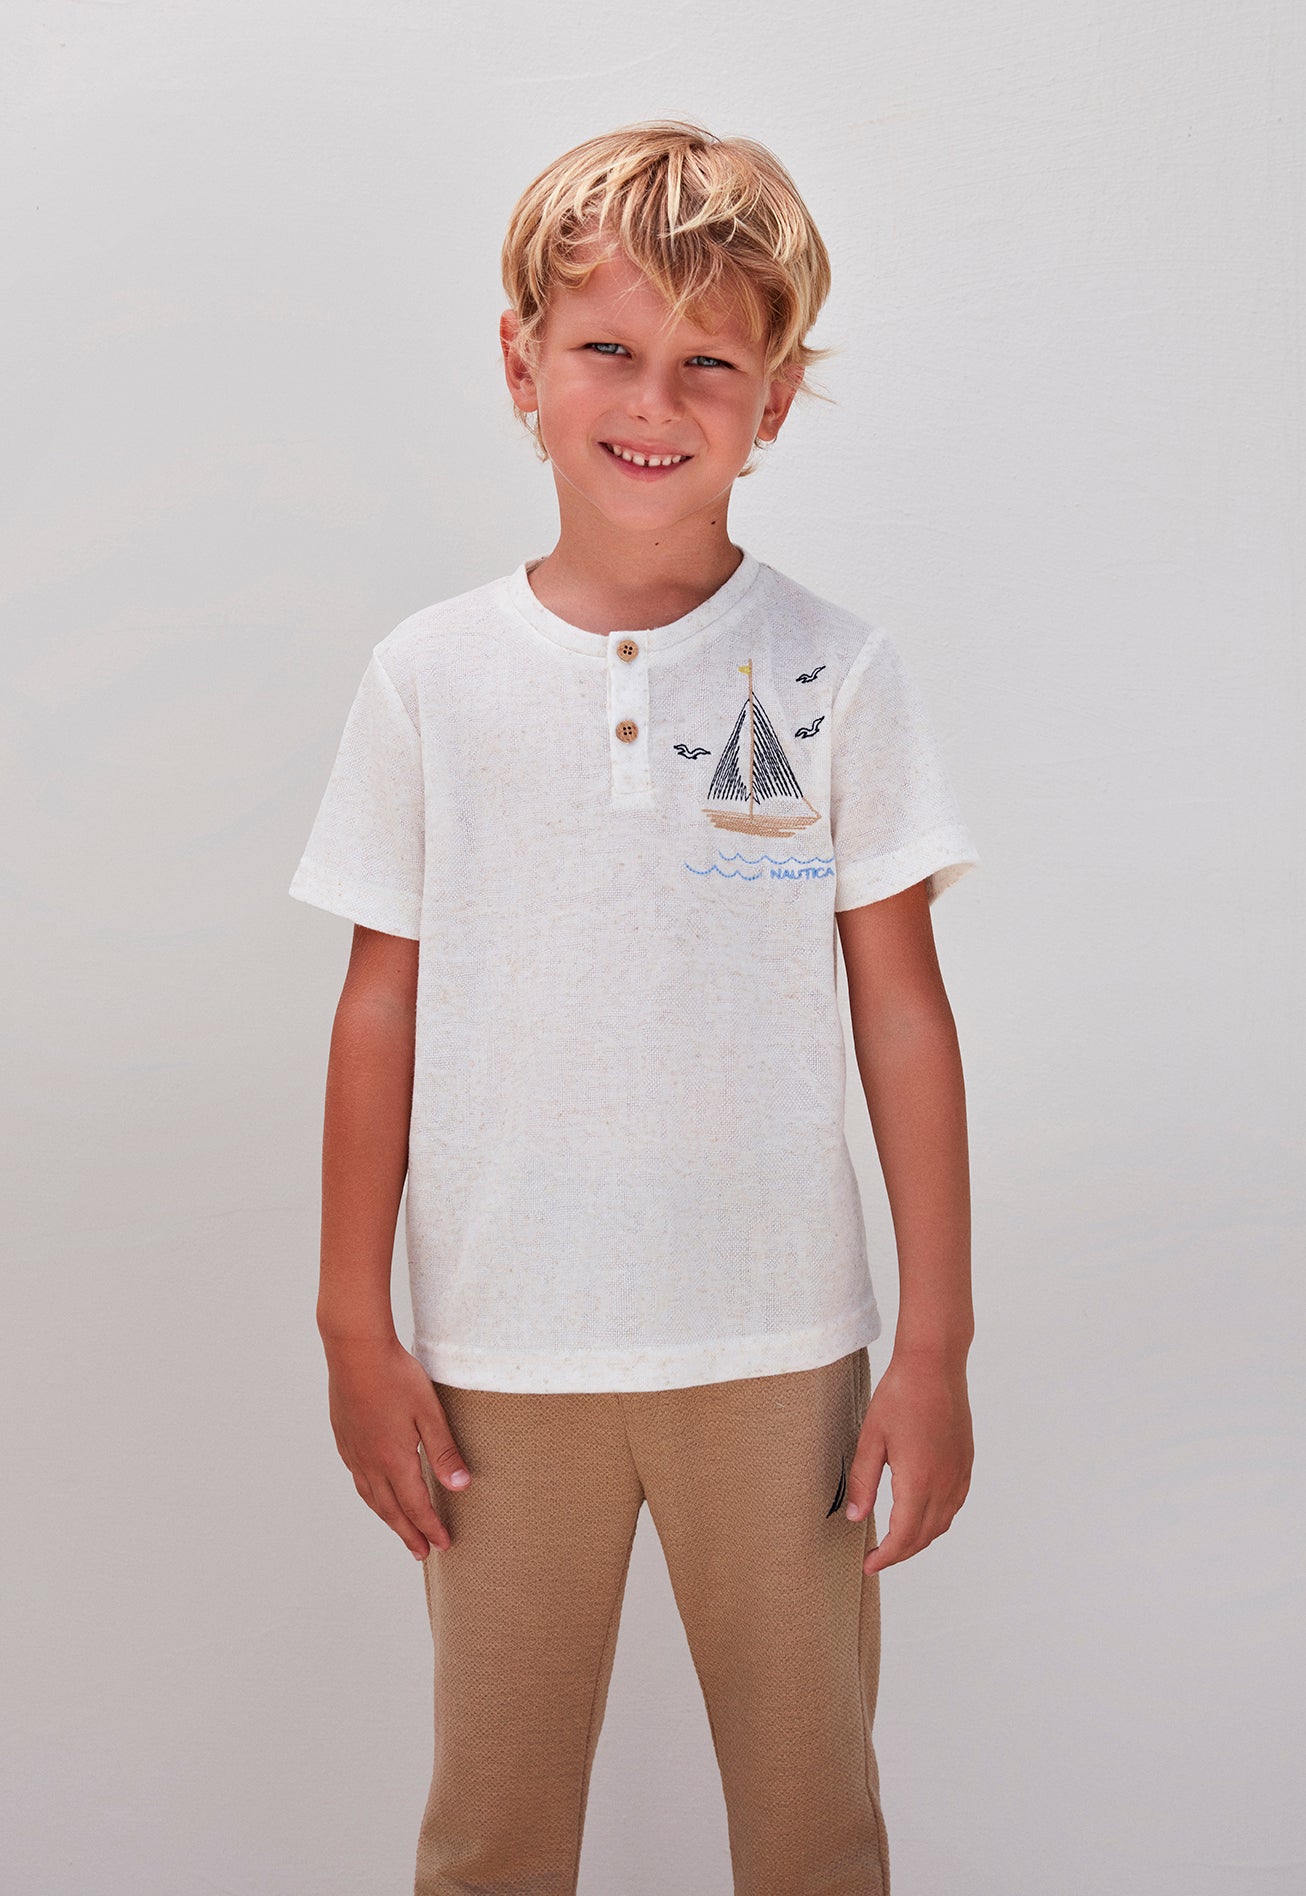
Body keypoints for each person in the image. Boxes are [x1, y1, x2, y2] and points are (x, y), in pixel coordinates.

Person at [288, 118, 980, 1896]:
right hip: (497, 1361)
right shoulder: (429, 678)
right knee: (491, 1827)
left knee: (814, 1817)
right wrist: (352, 1328)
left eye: (707, 360)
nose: (649, 396)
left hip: (783, 1355)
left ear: (778, 394)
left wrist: (934, 1347)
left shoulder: (833, 670)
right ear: (520, 364)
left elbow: (902, 1016)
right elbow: (382, 1004)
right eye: (604, 346)